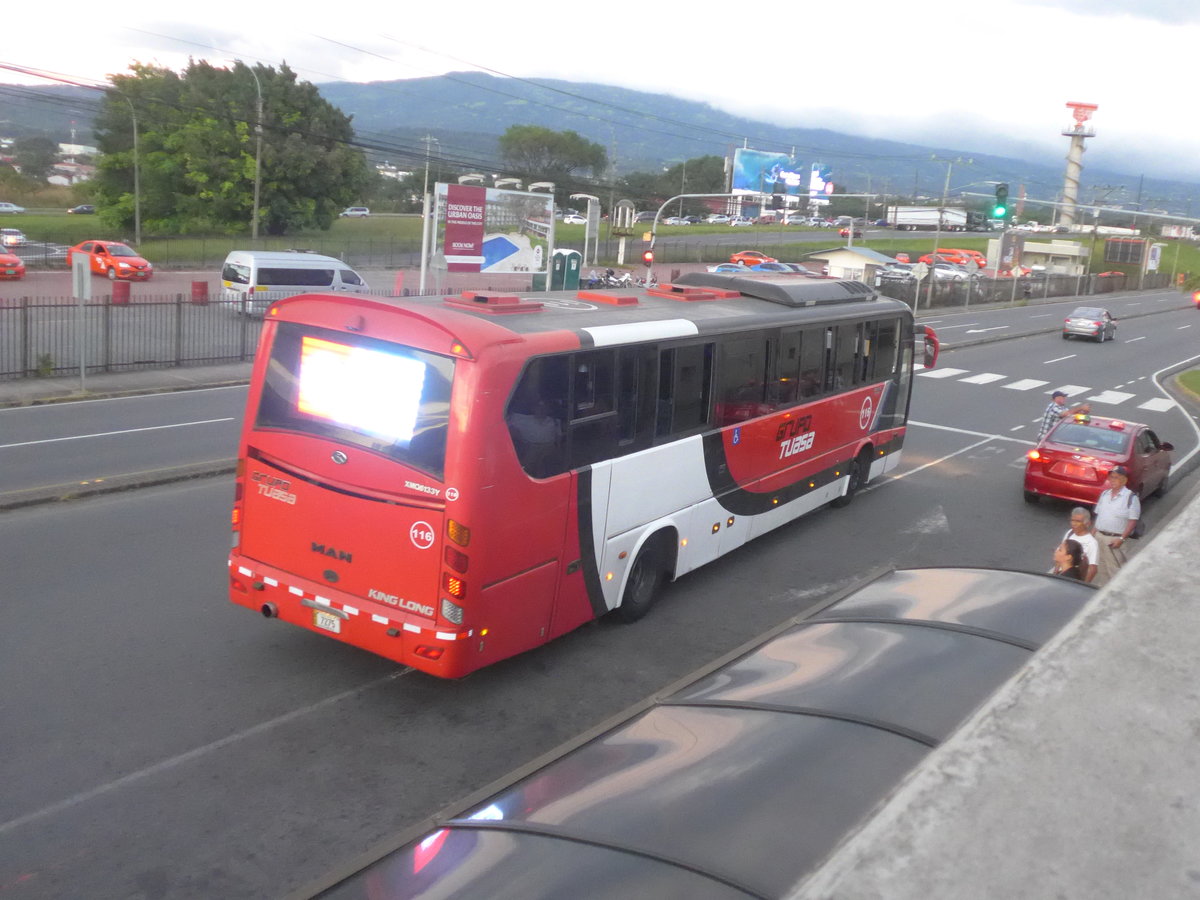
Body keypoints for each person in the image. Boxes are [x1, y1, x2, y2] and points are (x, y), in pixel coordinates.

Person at [1091, 466, 1140, 586]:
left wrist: (1122, 539)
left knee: (1115, 569)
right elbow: (1099, 516)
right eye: (1111, 477)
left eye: (1116, 478)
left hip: (1114, 539)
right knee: (1102, 567)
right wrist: (1092, 535)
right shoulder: (1105, 494)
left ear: (1124, 480)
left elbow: (1133, 521)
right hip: (1100, 537)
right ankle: (1102, 591)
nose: (1112, 480)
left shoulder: (1130, 497)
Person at [1060, 507, 1099, 583]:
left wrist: (1083, 586)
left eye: (1078, 521)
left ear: (1087, 524)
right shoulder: (1070, 533)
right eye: (1072, 520)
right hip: (1061, 574)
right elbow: (1061, 553)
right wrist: (1055, 572)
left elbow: (1093, 569)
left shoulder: (1091, 543)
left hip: (1073, 579)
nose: (1073, 524)